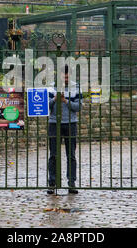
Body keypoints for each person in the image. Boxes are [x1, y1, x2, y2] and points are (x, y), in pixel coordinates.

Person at [47, 65, 82, 194]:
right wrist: (56, 98)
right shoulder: (51, 87)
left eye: (67, 77)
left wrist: (65, 101)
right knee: (53, 155)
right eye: (64, 76)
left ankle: (71, 183)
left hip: (71, 123)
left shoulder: (76, 87)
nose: (65, 79)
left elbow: (78, 107)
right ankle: (52, 183)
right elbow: (45, 105)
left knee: (71, 155)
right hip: (54, 123)